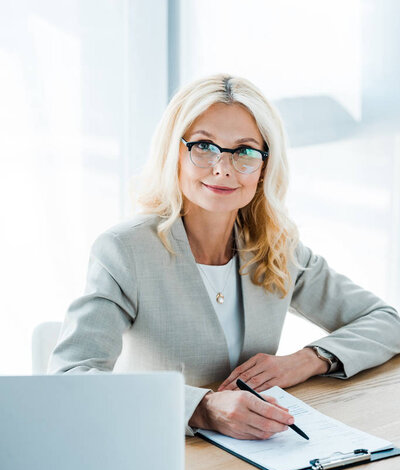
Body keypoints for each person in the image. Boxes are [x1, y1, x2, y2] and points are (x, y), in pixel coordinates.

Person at [48, 73, 400, 439]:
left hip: (257, 457)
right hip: (158, 452)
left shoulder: (276, 246)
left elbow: (386, 321)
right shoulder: (125, 251)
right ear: (175, 154)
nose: (223, 168)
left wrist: (306, 361)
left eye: (245, 151)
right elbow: (68, 377)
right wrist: (202, 409)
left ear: (263, 168)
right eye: (203, 146)